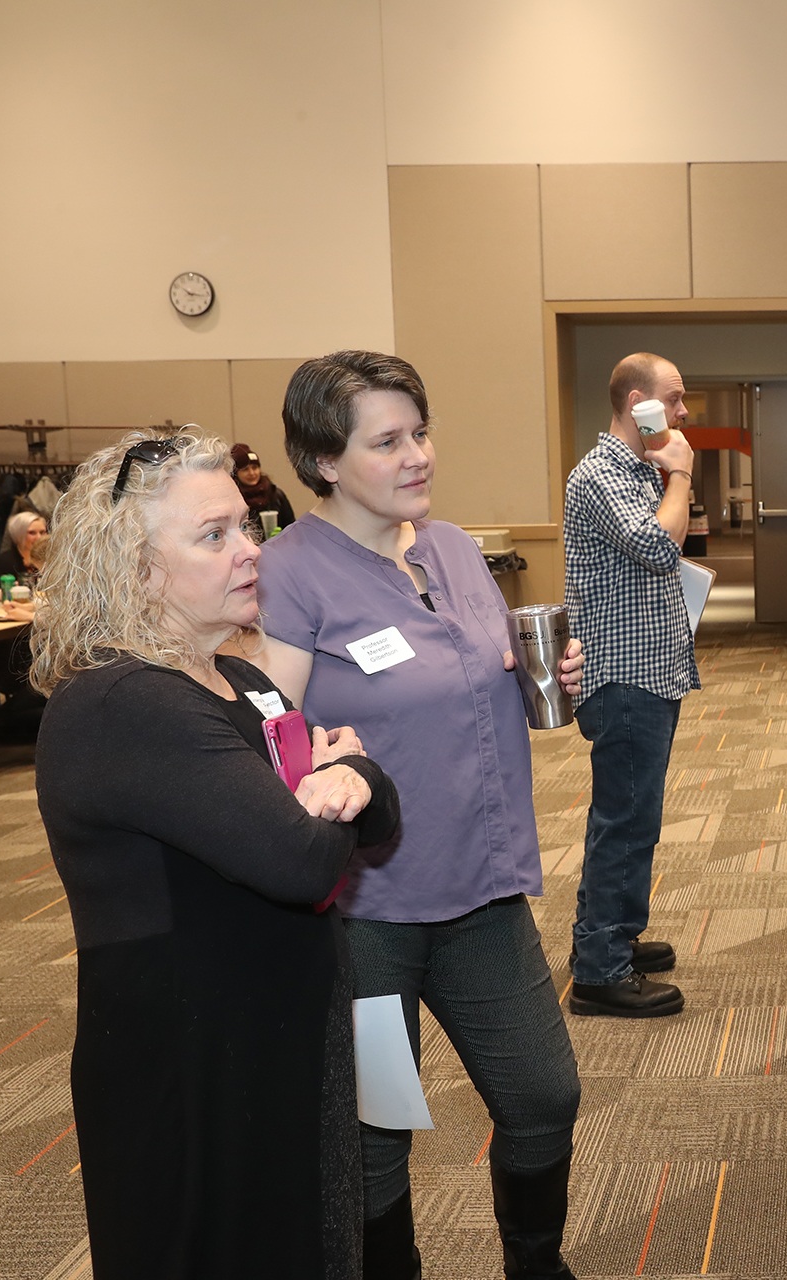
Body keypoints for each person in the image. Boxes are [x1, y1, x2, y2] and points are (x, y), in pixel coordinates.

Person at [30, 431, 400, 1280]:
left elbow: (374, 819)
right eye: (215, 535)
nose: (250, 550)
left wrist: (354, 779)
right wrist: (348, 774)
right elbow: (303, 858)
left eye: (248, 525)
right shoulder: (121, 702)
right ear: (133, 567)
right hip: (193, 1065)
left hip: (275, 1036)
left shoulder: (240, 680)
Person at [255, 351, 586, 1280]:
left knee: (543, 1096)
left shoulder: (448, 547)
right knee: (377, 1128)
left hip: (482, 889)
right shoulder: (289, 574)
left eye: (421, 433)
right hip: (368, 914)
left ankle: (536, 1264)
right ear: (324, 461)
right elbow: (274, 746)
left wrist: (542, 680)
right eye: (388, 441)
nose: (418, 457)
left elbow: (476, 687)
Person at [560, 352, 698, 1017]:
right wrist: (682, 474)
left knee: (630, 816)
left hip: (650, 670)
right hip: (623, 678)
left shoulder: (639, 469)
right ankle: (600, 968)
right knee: (625, 820)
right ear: (638, 401)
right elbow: (661, 545)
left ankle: (609, 934)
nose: (682, 412)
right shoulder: (599, 475)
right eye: (673, 399)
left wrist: (668, 471)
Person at [232, 441, 297, 530]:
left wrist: (281, 537)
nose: (251, 473)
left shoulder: (275, 494)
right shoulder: (234, 499)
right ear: (236, 473)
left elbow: (291, 527)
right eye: (245, 469)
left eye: (255, 468)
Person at [0, 509, 48, 587]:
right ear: (19, 535)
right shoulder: (3, 563)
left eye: (42, 532)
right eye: (32, 533)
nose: (39, 537)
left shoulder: (49, 560)